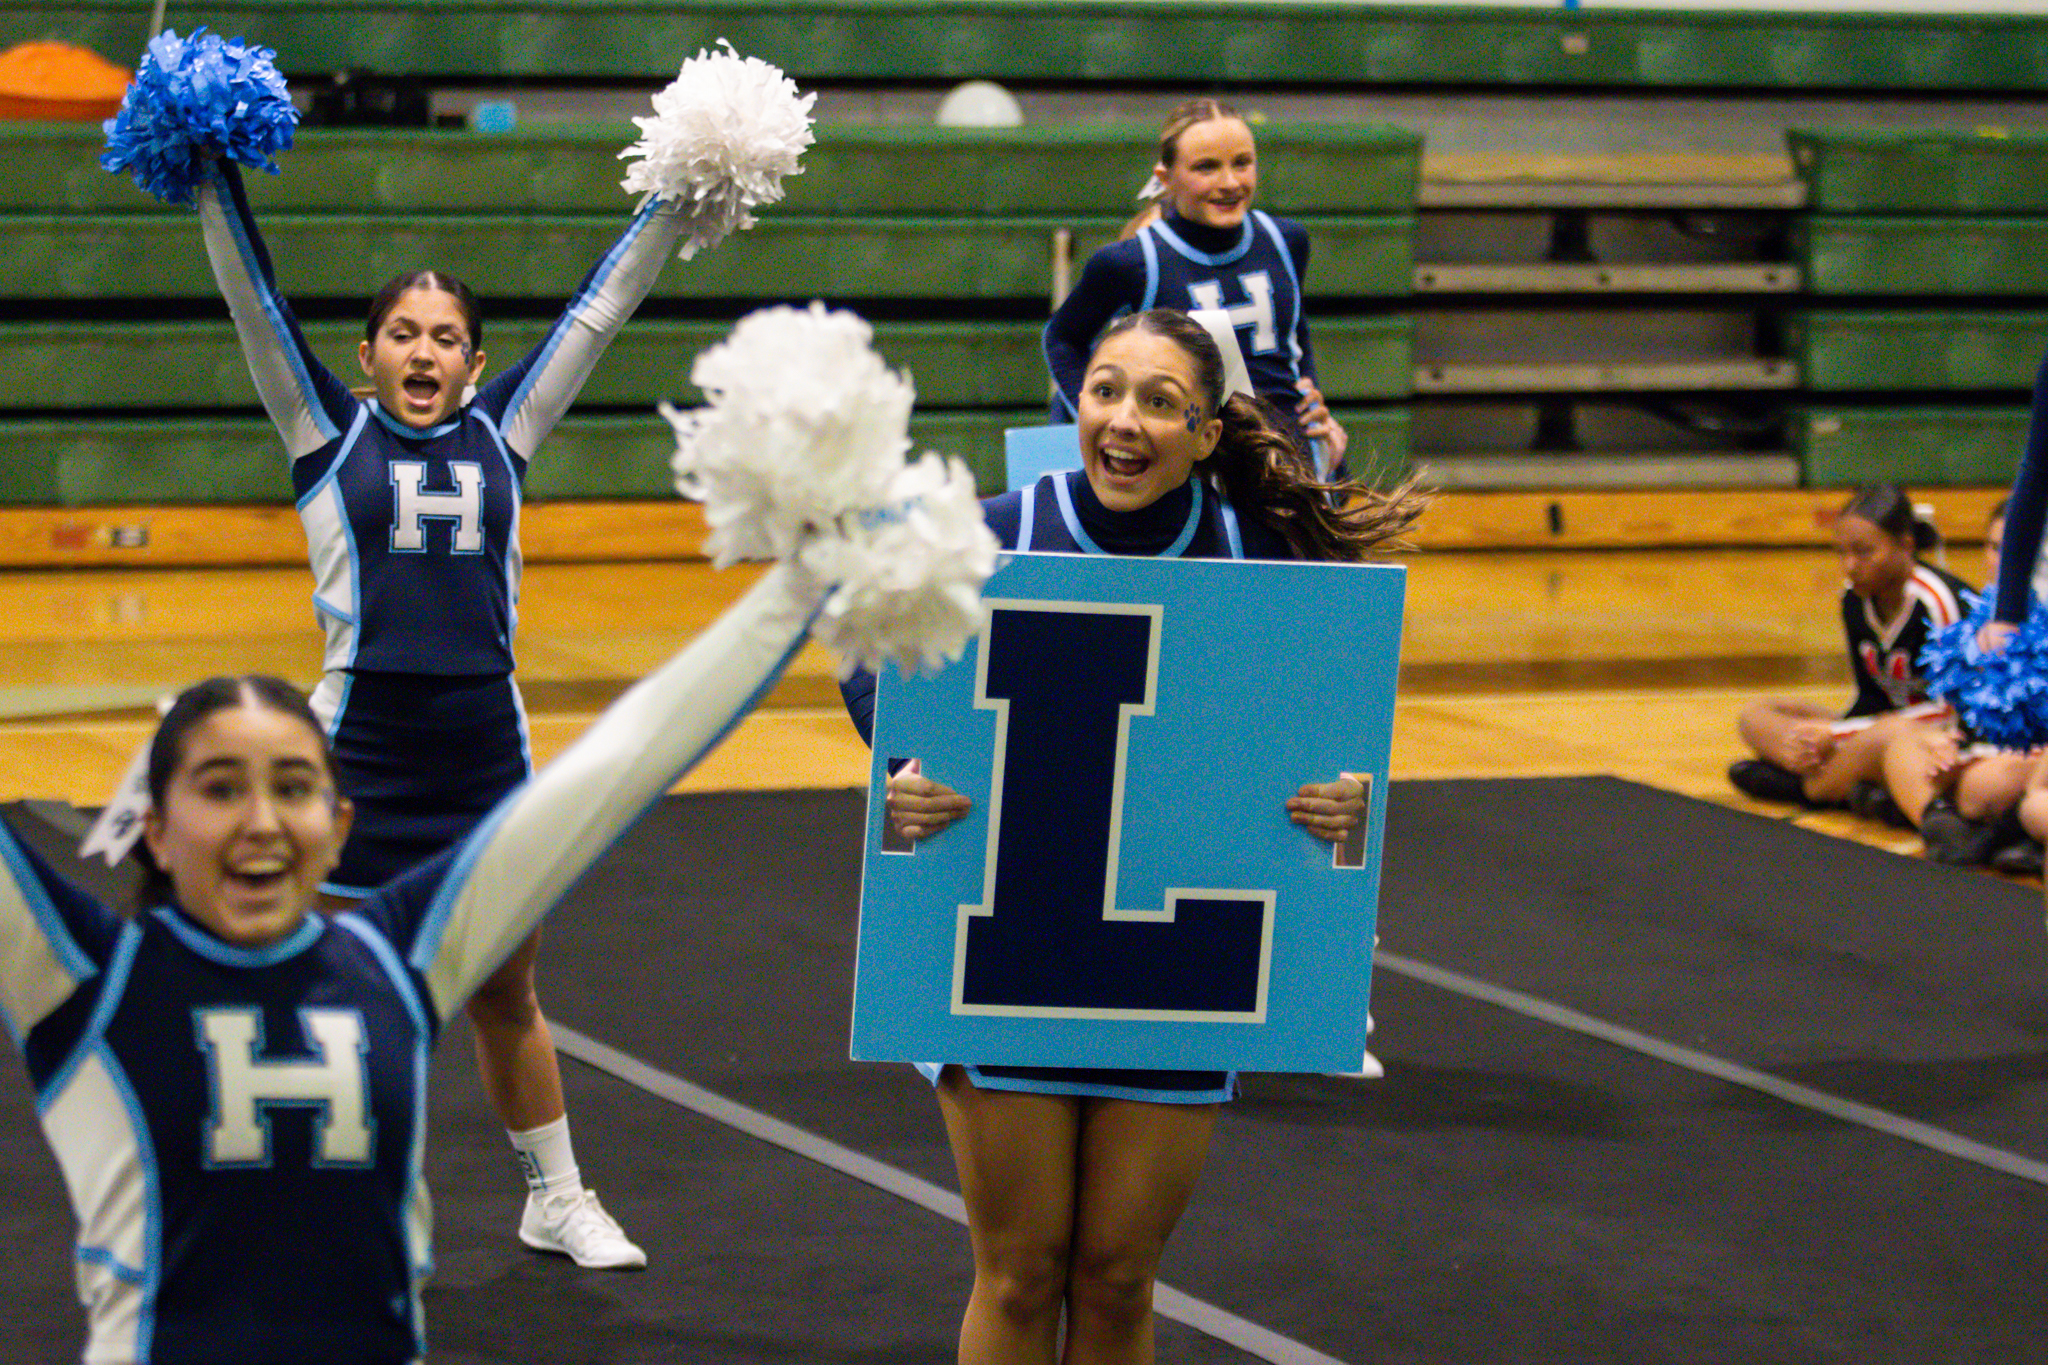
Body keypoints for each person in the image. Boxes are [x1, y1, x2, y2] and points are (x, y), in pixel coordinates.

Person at [0, 561, 829, 1364]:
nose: (261, 822)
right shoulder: (87, 984)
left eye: (294, 787)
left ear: (340, 822)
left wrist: (800, 584)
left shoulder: (399, 960)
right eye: (220, 788)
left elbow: (624, 759)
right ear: (153, 826)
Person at [843, 308, 1422, 1365]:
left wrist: (1346, 799)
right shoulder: (988, 533)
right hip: (1001, 938)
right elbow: (866, 657)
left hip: (1177, 965)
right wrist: (904, 766)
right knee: (1019, 1274)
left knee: (1116, 1276)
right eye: (1104, 389)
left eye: (1160, 401)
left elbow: (1327, 735)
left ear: (1205, 434)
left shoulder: (1266, 557)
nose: (1122, 419)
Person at [192, 153, 698, 1266]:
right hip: (352, 754)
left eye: (446, 337)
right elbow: (251, 299)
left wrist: (685, 181)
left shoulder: (506, 431)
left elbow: (602, 308)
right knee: (318, 985)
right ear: (365, 358)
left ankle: (554, 1196)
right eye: (403, 335)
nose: (425, 351)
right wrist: (207, 177)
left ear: (474, 362)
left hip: (481, 751)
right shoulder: (325, 436)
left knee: (505, 985)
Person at [1041, 98, 1349, 480]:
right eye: (1207, 167)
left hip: (1295, 458)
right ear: (1166, 177)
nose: (1230, 182)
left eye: (1242, 162)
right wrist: (1098, 412)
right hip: (1198, 468)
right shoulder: (1133, 261)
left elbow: (1293, 335)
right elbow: (1062, 338)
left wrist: (1313, 401)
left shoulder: (1286, 239)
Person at [1729, 485, 1971, 810]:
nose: (1850, 565)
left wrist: (1839, 736)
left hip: (1936, 739)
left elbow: (1949, 711)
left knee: (1888, 732)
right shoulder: (1853, 600)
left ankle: (1810, 789)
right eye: (1841, 552)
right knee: (1756, 716)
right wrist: (1818, 741)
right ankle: (1856, 788)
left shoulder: (1938, 602)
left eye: (1864, 551)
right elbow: (1868, 695)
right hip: (1874, 731)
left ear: (1906, 544)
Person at [1866, 498, 2038, 864]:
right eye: (1994, 547)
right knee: (1899, 744)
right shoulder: (1983, 618)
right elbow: (1968, 716)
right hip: (1988, 758)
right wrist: (1953, 745)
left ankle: (1942, 813)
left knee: (1989, 783)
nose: (2002, 560)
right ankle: (1947, 824)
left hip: (2026, 765)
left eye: (2018, 549)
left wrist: (1978, 756)